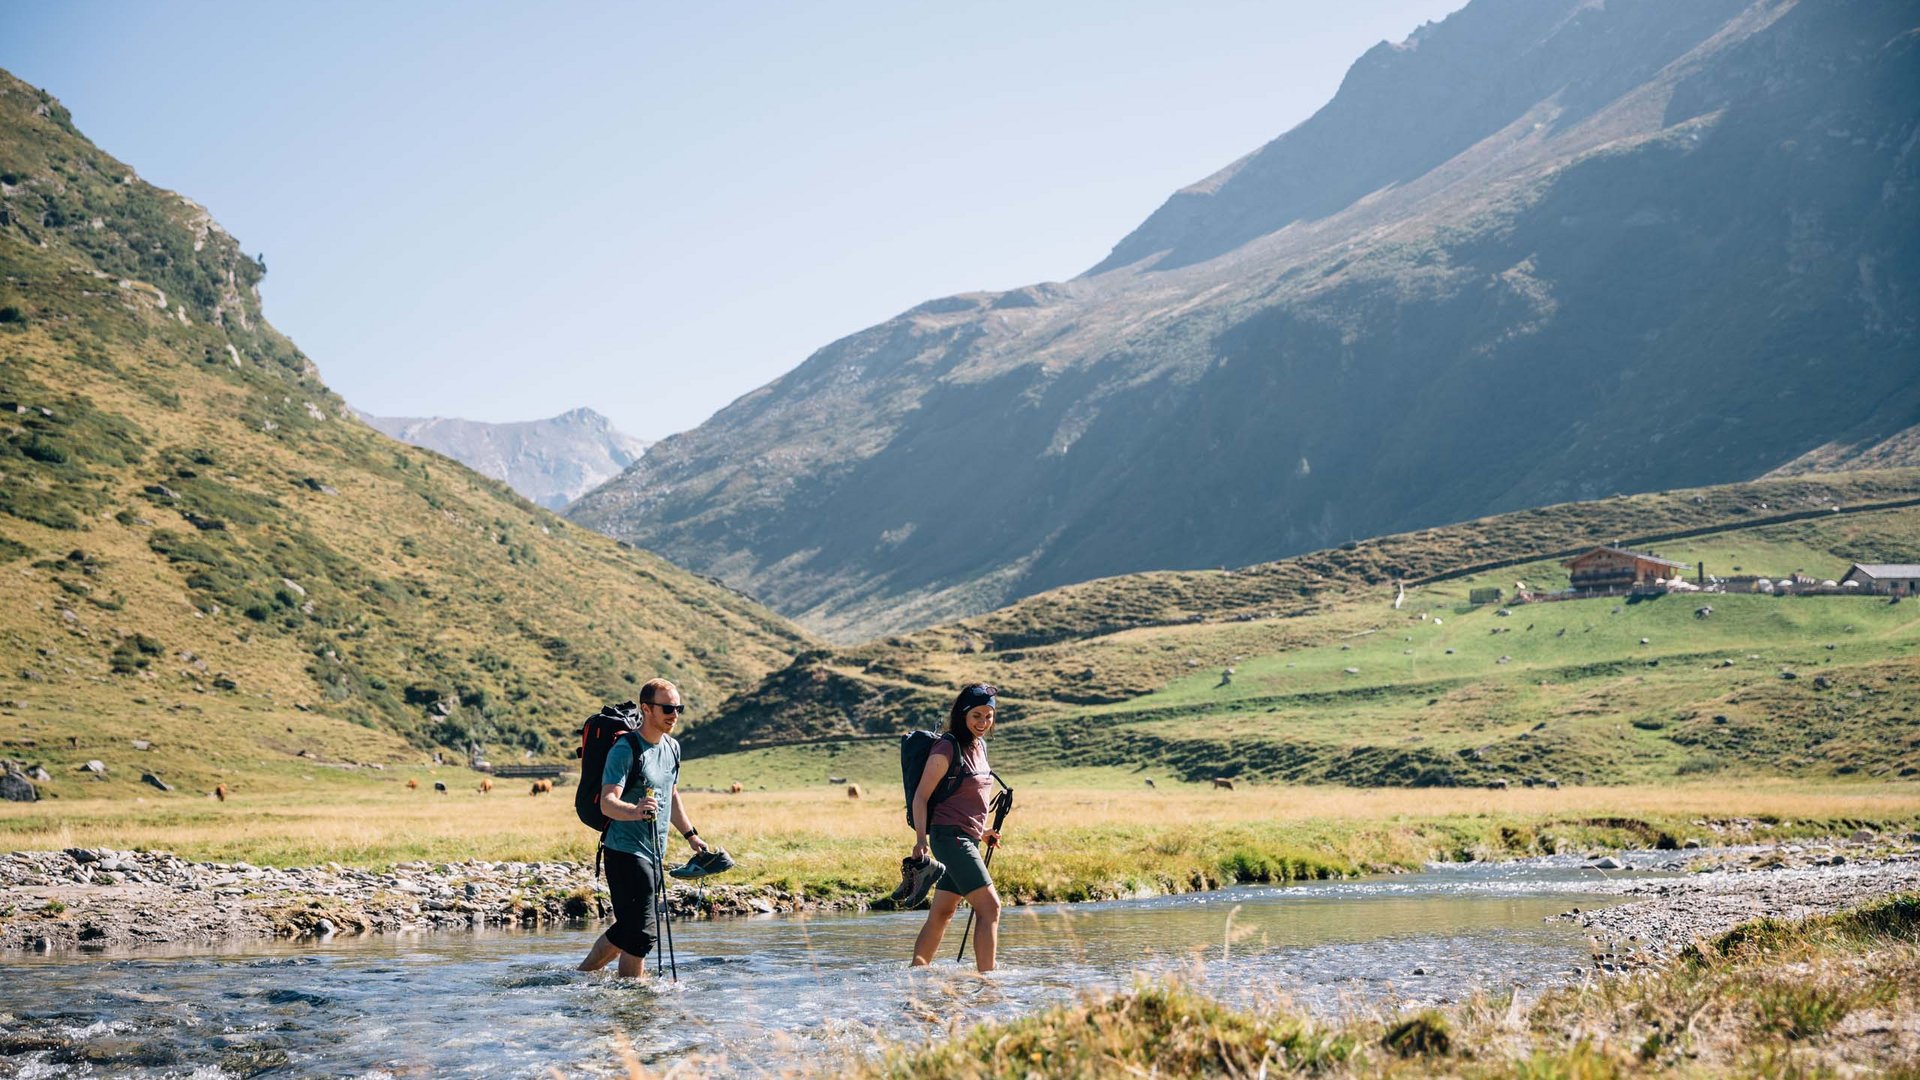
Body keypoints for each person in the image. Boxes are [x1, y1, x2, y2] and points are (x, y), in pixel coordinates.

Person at [577, 678, 711, 978]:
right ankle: (633, 995)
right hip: (624, 851)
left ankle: (582, 975)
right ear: (646, 709)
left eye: (678, 708)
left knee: (630, 928)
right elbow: (608, 803)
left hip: (654, 851)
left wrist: (691, 836)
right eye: (667, 708)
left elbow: (671, 795)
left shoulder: (673, 748)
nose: (674, 714)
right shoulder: (625, 750)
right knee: (642, 933)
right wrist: (635, 811)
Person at [908, 684, 1003, 973]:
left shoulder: (980, 746)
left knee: (943, 912)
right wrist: (921, 840)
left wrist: (982, 830)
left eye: (988, 716)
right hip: (949, 839)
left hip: (967, 837)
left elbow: (966, 797)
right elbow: (921, 796)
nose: (983, 723)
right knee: (990, 908)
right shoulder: (946, 747)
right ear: (962, 714)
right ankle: (988, 982)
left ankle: (917, 975)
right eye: (976, 715)